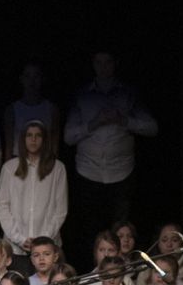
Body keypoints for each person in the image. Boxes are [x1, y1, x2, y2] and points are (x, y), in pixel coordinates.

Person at [63, 50, 157, 250]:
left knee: (120, 231)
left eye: (107, 62)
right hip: (88, 172)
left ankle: (121, 265)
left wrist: (123, 120)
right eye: (99, 62)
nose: (103, 67)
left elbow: (152, 127)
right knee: (91, 232)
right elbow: (68, 137)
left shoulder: (128, 93)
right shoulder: (83, 95)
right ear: (93, 64)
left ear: (115, 63)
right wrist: (94, 123)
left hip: (121, 172)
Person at [0, 122, 68, 258]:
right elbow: (3, 206)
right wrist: (19, 238)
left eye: (38, 135)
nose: (33, 139)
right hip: (15, 248)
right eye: (29, 135)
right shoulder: (9, 168)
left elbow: (60, 210)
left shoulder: (57, 168)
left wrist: (42, 241)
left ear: (44, 139)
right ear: (23, 139)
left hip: (48, 248)